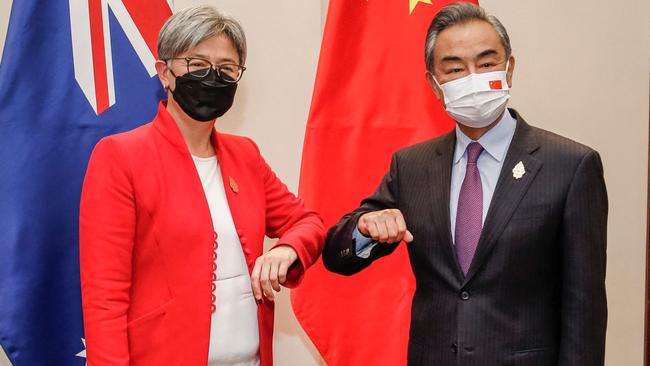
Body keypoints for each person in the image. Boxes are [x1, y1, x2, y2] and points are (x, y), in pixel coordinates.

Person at [323, 3, 607, 365]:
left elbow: (585, 310)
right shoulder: (412, 166)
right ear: (435, 85)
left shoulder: (570, 166)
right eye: (455, 69)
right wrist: (363, 229)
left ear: (509, 69)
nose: (473, 77)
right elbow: (337, 257)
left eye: (487, 64)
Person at [79, 6, 324, 366]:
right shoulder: (119, 156)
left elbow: (309, 222)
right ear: (165, 73)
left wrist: (285, 250)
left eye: (227, 68)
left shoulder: (245, 156)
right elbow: (105, 298)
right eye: (197, 65)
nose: (213, 78)